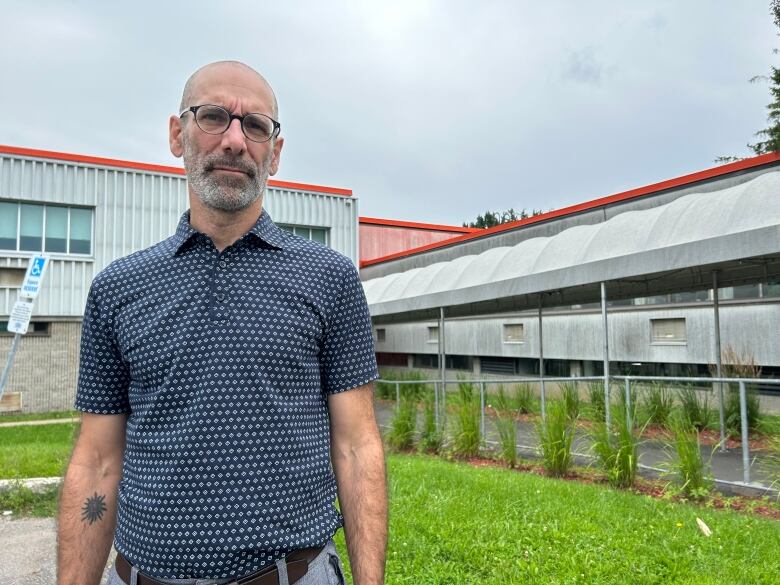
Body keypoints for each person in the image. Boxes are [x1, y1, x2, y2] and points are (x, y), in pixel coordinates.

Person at [57, 60, 387, 585]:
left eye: (255, 126)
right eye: (214, 117)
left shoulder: (330, 279)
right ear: (176, 133)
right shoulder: (118, 288)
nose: (235, 140)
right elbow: (96, 459)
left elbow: (356, 445)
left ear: (274, 153)